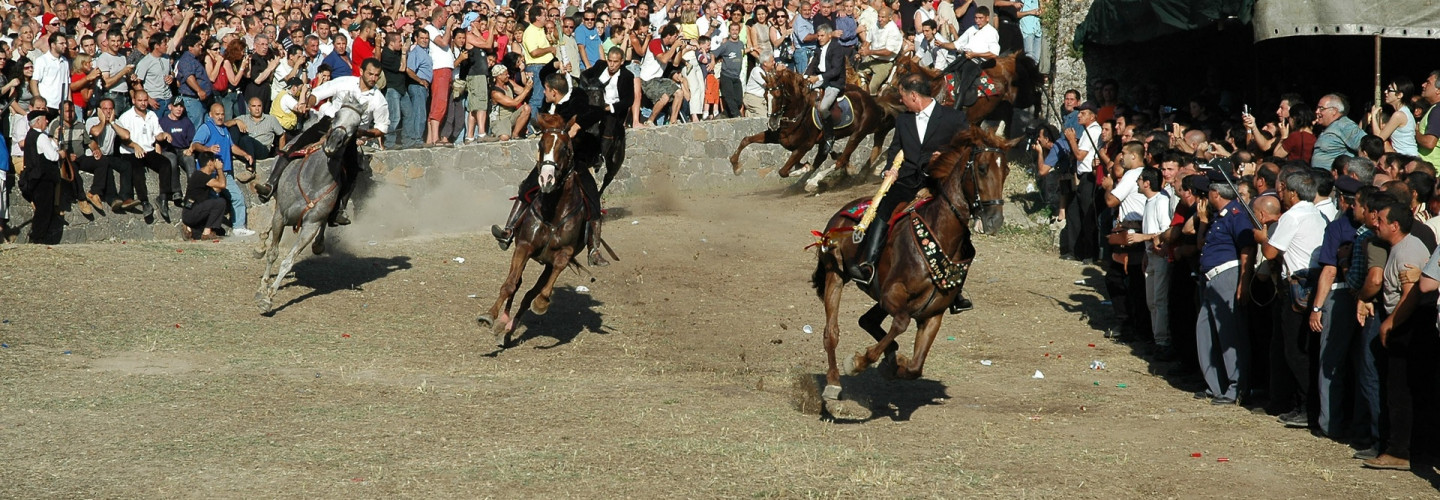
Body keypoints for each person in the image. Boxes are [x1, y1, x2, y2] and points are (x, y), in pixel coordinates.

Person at [847, 73, 968, 295]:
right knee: (883, 209)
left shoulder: (954, 118)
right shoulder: (903, 120)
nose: (900, 101)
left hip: (939, 183)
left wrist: (945, 156)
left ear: (914, 95)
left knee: (955, 223)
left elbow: (966, 148)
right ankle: (869, 264)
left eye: (902, 96)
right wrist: (889, 169)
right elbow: (895, 149)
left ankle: (956, 288)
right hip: (907, 180)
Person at [492, 72, 610, 266]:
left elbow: (597, 112)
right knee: (526, 187)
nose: (543, 93)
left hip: (574, 160)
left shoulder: (577, 100)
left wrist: (577, 125)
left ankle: (594, 249)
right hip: (549, 160)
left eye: (545, 90)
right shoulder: (549, 106)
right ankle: (509, 230)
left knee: (592, 196)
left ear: (554, 91)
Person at [254, 58, 390, 227]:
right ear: (361, 72)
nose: (373, 78)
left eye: (376, 75)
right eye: (370, 73)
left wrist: (362, 132)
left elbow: (381, 128)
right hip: (327, 123)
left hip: (349, 136)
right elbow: (316, 95)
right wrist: (306, 103)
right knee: (293, 147)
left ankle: (338, 210)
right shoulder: (344, 82)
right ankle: (271, 184)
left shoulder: (378, 99)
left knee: (353, 170)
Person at [1193, 170, 1256, 405]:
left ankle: (1236, 387)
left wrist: (1243, 282)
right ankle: (1216, 385)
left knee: (1230, 333)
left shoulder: (1237, 215)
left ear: (1215, 192)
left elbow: (1247, 249)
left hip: (1226, 277)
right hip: (1211, 279)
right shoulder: (1220, 215)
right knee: (1206, 332)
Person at [192, 102, 257, 236]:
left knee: (237, 197)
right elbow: (195, 144)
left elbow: (232, 147)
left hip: (225, 173)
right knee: (210, 201)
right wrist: (208, 149)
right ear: (210, 115)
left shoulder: (225, 130)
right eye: (217, 114)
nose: (220, 117)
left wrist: (245, 154)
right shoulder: (206, 128)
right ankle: (202, 229)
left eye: (222, 114)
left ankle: (239, 227)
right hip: (209, 174)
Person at [114, 90, 178, 222]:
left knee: (165, 163)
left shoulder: (151, 115)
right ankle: (144, 202)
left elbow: (157, 134)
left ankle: (163, 197)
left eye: (145, 100)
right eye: (140, 100)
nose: (143, 103)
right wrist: (134, 146)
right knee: (137, 170)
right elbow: (123, 139)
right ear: (134, 101)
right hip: (130, 151)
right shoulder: (126, 117)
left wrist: (164, 135)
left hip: (148, 150)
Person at [582, 47, 635, 191]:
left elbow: (628, 100)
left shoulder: (627, 76)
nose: (611, 65)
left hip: (612, 111)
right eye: (609, 61)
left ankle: (599, 155)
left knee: (609, 126)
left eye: (615, 62)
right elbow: (585, 76)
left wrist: (610, 107)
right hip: (593, 106)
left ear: (622, 62)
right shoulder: (600, 66)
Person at [19, 107, 61, 243]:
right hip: (43, 179)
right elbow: (53, 156)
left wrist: (54, 140)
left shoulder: (30, 135)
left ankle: (37, 237)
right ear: (37, 122)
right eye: (44, 119)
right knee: (44, 210)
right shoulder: (41, 136)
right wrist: (61, 154)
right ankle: (37, 238)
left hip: (33, 178)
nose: (47, 121)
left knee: (41, 209)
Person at [945, 6, 999, 110]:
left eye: (980, 18)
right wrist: (942, 44)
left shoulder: (992, 32)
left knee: (963, 85)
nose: (978, 21)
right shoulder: (972, 29)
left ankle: (957, 111)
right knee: (946, 72)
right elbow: (957, 44)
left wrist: (975, 54)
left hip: (975, 62)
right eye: (976, 18)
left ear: (987, 18)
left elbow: (994, 54)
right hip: (963, 58)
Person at [804, 24, 845, 150]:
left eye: (822, 36)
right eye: (818, 36)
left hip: (834, 82)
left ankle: (829, 135)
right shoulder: (818, 47)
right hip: (820, 78)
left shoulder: (837, 48)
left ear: (829, 35)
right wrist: (805, 77)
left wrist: (818, 78)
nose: (819, 38)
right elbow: (813, 64)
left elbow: (836, 71)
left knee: (823, 107)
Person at [181, 152, 230, 241]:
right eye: (214, 161)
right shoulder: (200, 176)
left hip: (191, 213)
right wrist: (219, 169)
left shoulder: (200, 175)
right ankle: (206, 232)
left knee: (220, 231)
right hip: (191, 212)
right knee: (220, 202)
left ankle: (190, 230)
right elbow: (222, 185)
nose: (216, 163)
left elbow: (217, 189)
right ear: (210, 163)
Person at [1312, 93, 1365, 170]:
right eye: (1317, 108)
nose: (1317, 111)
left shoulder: (1345, 125)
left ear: (1334, 111)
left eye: (1321, 108)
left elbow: (1366, 145)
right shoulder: (1328, 127)